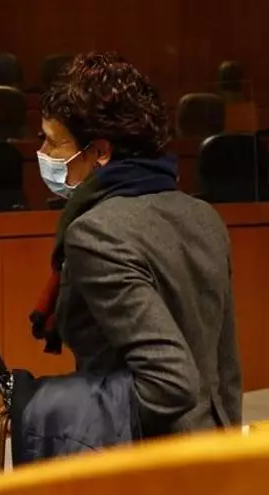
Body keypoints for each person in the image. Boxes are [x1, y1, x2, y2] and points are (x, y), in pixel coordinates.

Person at [28, 52, 241, 448]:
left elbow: (169, 382)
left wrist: (50, 406)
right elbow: (226, 371)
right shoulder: (203, 215)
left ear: (100, 152)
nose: (42, 152)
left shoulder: (95, 232)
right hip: (210, 446)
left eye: (53, 142)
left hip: (143, 458)